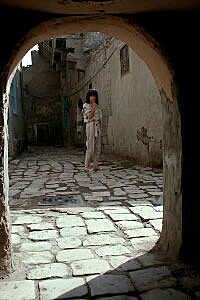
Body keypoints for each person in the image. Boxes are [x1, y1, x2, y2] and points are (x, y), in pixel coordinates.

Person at [82, 89, 103, 172]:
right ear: (88, 97)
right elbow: (90, 116)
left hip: (97, 126)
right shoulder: (86, 106)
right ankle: (86, 166)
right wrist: (93, 107)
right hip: (90, 126)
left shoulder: (97, 106)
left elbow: (99, 118)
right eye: (91, 95)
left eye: (94, 96)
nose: (93, 97)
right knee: (90, 146)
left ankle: (95, 165)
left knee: (97, 146)